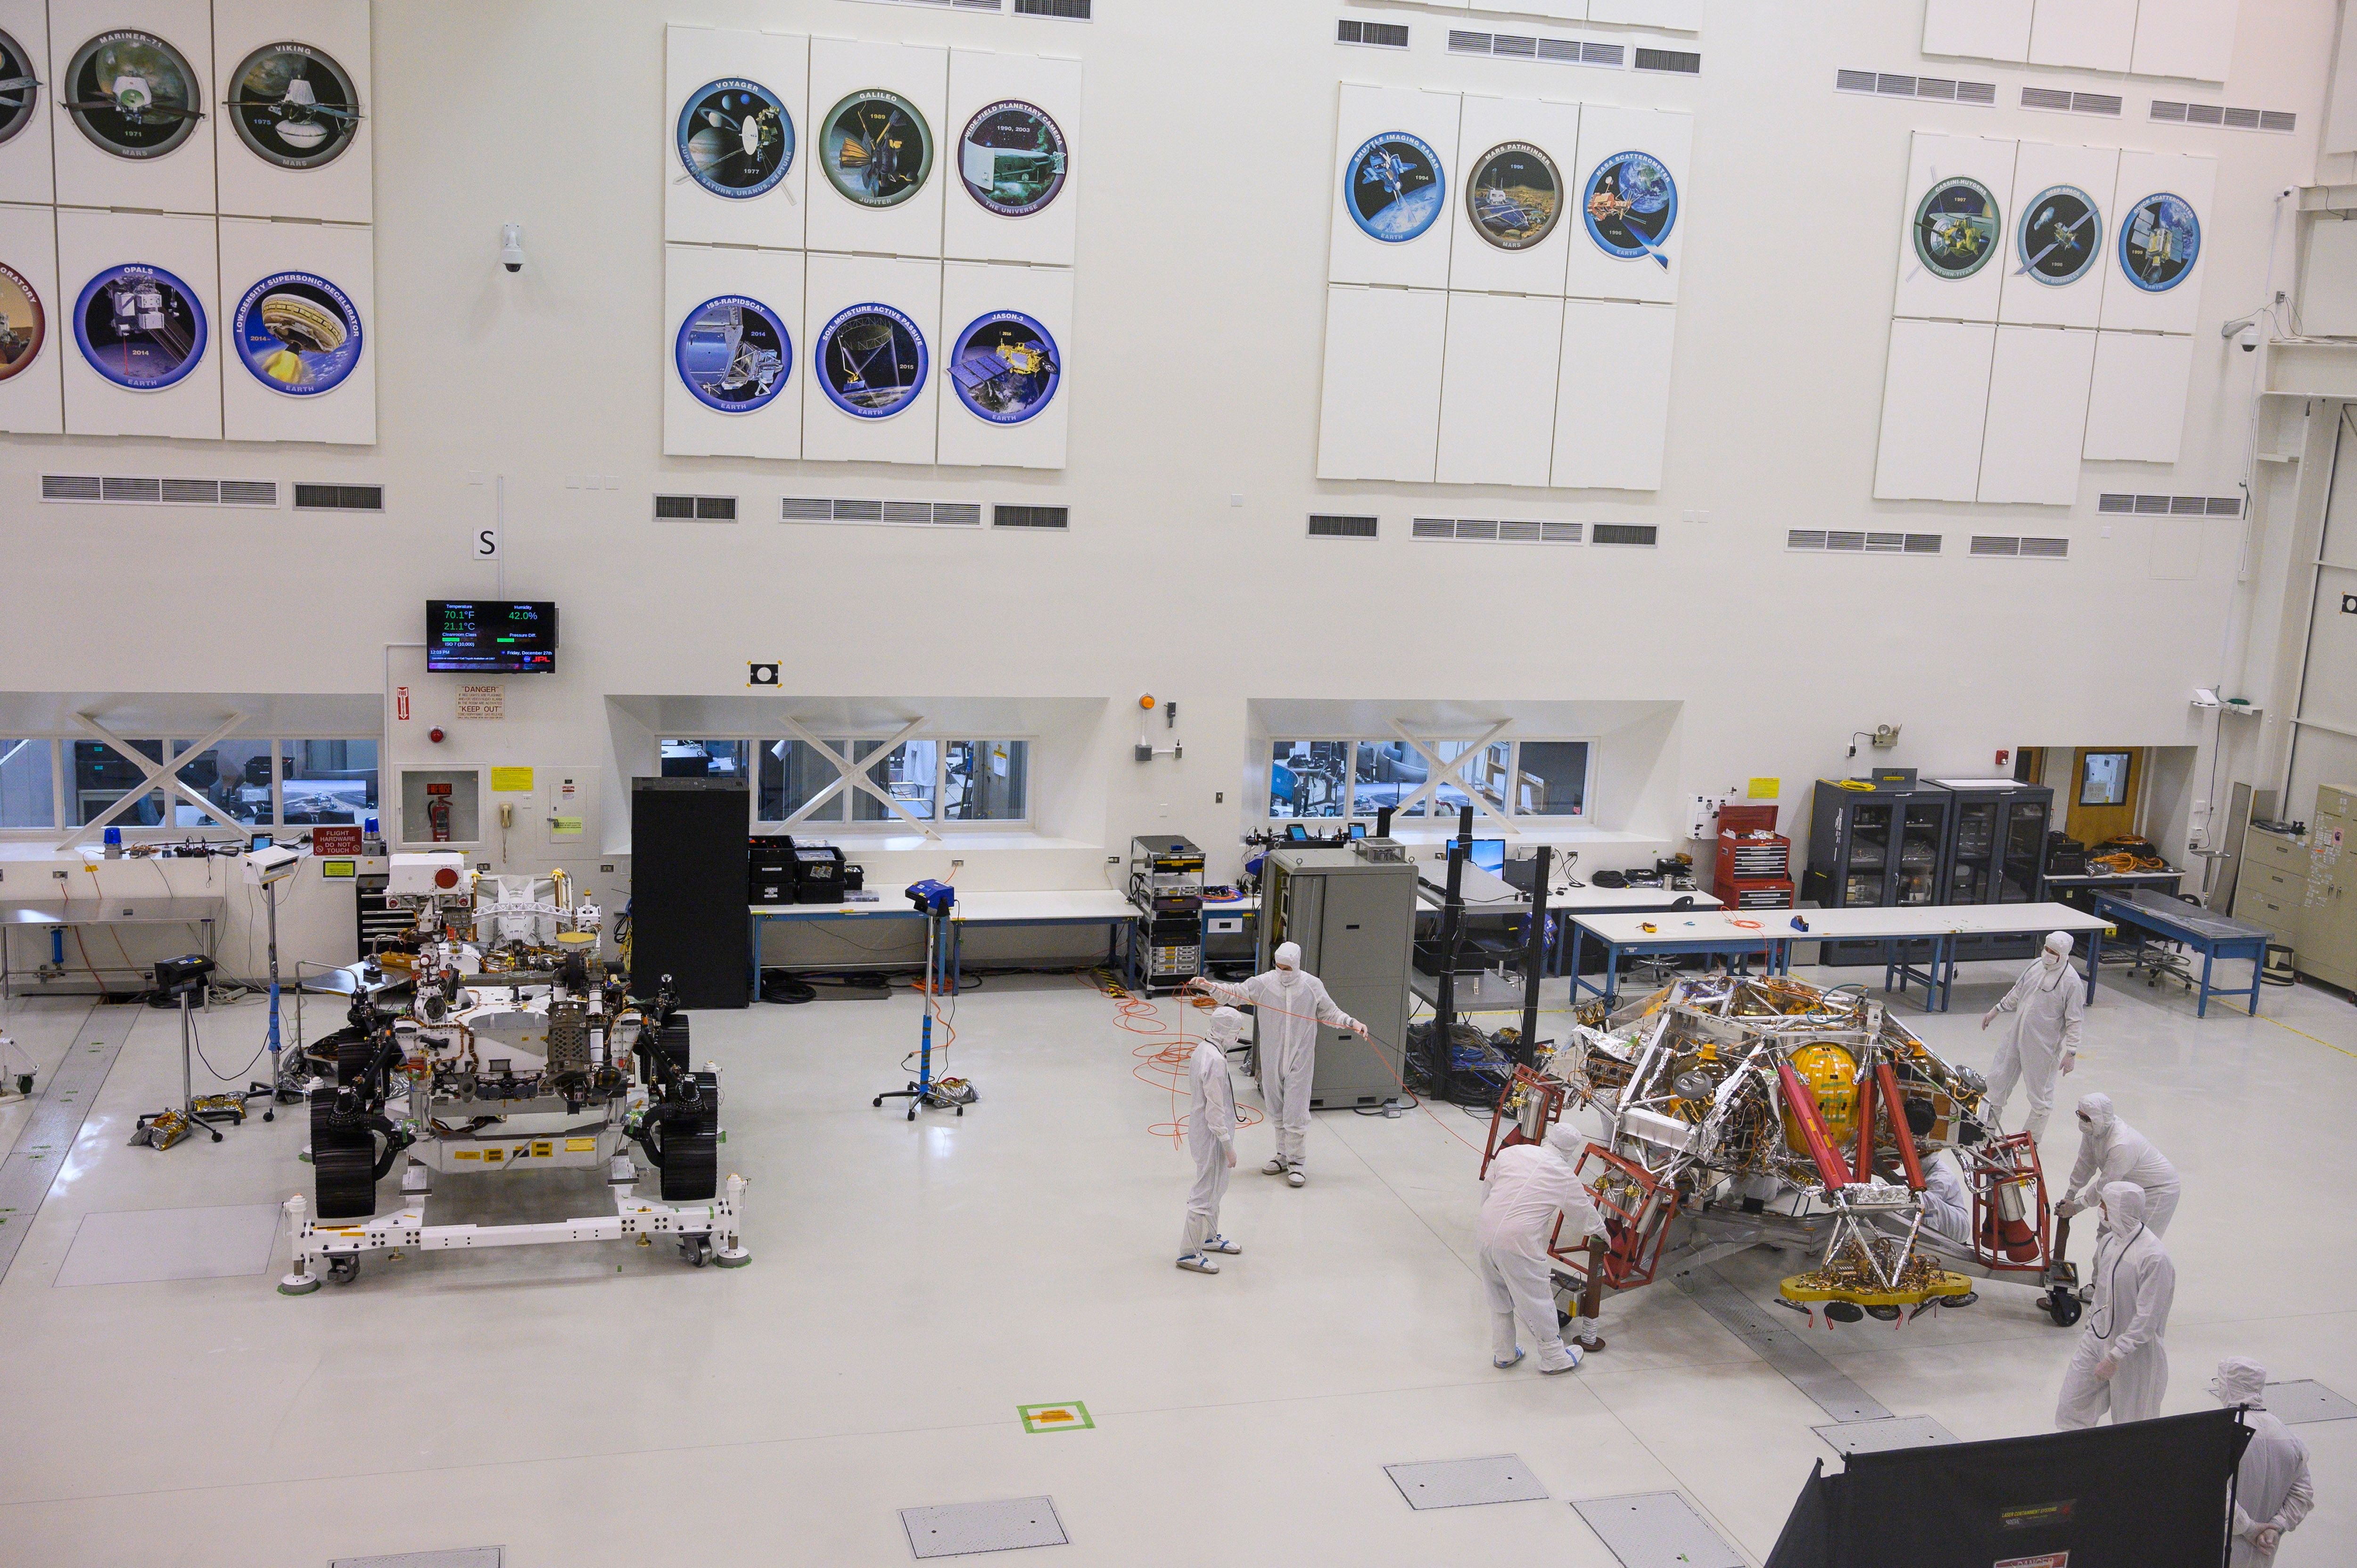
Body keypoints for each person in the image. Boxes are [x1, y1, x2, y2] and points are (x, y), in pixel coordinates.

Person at [1184, 942, 1366, 1187]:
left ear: (1297, 965)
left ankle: (1298, 1163)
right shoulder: (1265, 983)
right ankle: (1282, 1155)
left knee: (1296, 1112)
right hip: (1271, 1058)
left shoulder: (1312, 986)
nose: (1282, 972)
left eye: (1287, 968)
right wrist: (1210, 987)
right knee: (1277, 1110)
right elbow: (1236, 992)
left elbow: (1330, 1012)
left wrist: (1352, 1022)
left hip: (1300, 1060)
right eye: (1279, 966)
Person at [1477, 1122, 1606, 1375]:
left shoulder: (1512, 1152)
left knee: (1498, 1293)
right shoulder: (1562, 1173)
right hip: (1518, 1242)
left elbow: (1488, 1190)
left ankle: (1504, 1353)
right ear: (1571, 1151)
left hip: (1485, 1232)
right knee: (1537, 1299)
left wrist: (1489, 1227)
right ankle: (1555, 1358)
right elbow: (1584, 1214)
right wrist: (1604, 1236)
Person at [2055, 1182, 2174, 1429]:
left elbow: (2148, 1318)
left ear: (2122, 1209)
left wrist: (2117, 1355)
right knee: (2072, 1408)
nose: (2101, 1208)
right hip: (2096, 1339)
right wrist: (2091, 1328)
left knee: (2133, 1426)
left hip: (2134, 1355)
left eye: (2106, 1204)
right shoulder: (2109, 1242)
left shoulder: (2154, 1258)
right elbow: (2101, 1292)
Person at [1982, 930, 2085, 1140]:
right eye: (2046, 949)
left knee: (2040, 1095)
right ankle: (1987, 1128)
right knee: (1997, 1080)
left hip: (2042, 1047)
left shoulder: (2072, 982)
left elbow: (2075, 1020)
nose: (2048, 954)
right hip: (2016, 1036)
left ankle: (2031, 1138)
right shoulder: (2036, 966)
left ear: (2064, 954)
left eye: (2053, 952)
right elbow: (2018, 991)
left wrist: (2071, 1052)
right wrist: (1997, 1010)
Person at [2211, 1357, 2315, 1566]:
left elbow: (2212, 1493)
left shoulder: (2222, 1433)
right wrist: (2275, 1527)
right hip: (2263, 1552)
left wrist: (2249, 1528)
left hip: (2218, 1552)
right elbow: (2303, 1495)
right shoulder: (2289, 1438)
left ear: (2228, 1386)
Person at [1177, 1007, 1244, 1276]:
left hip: (1207, 1131)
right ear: (1226, 1031)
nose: (1238, 1037)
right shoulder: (1215, 1060)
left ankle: (1209, 1237)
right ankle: (1189, 1252)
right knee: (1205, 1190)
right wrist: (1228, 1147)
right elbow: (1215, 1110)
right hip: (1212, 1134)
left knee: (1217, 1187)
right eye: (1236, 1031)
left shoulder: (1204, 1050)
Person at [2058, 1092, 2181, 1236]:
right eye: (2080, 1116)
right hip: (2127, 1185)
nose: (2082, 1123)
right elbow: (2085, 1162)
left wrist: (2078, 1206)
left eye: (2086, 1119)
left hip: (2158, 1190)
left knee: (2139, 1240)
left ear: (2100, 1118)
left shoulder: (2122, 1143)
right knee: (2108, 1232)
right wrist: (2071, 1193)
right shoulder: (2093, 1130)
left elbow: (2106, 1182)